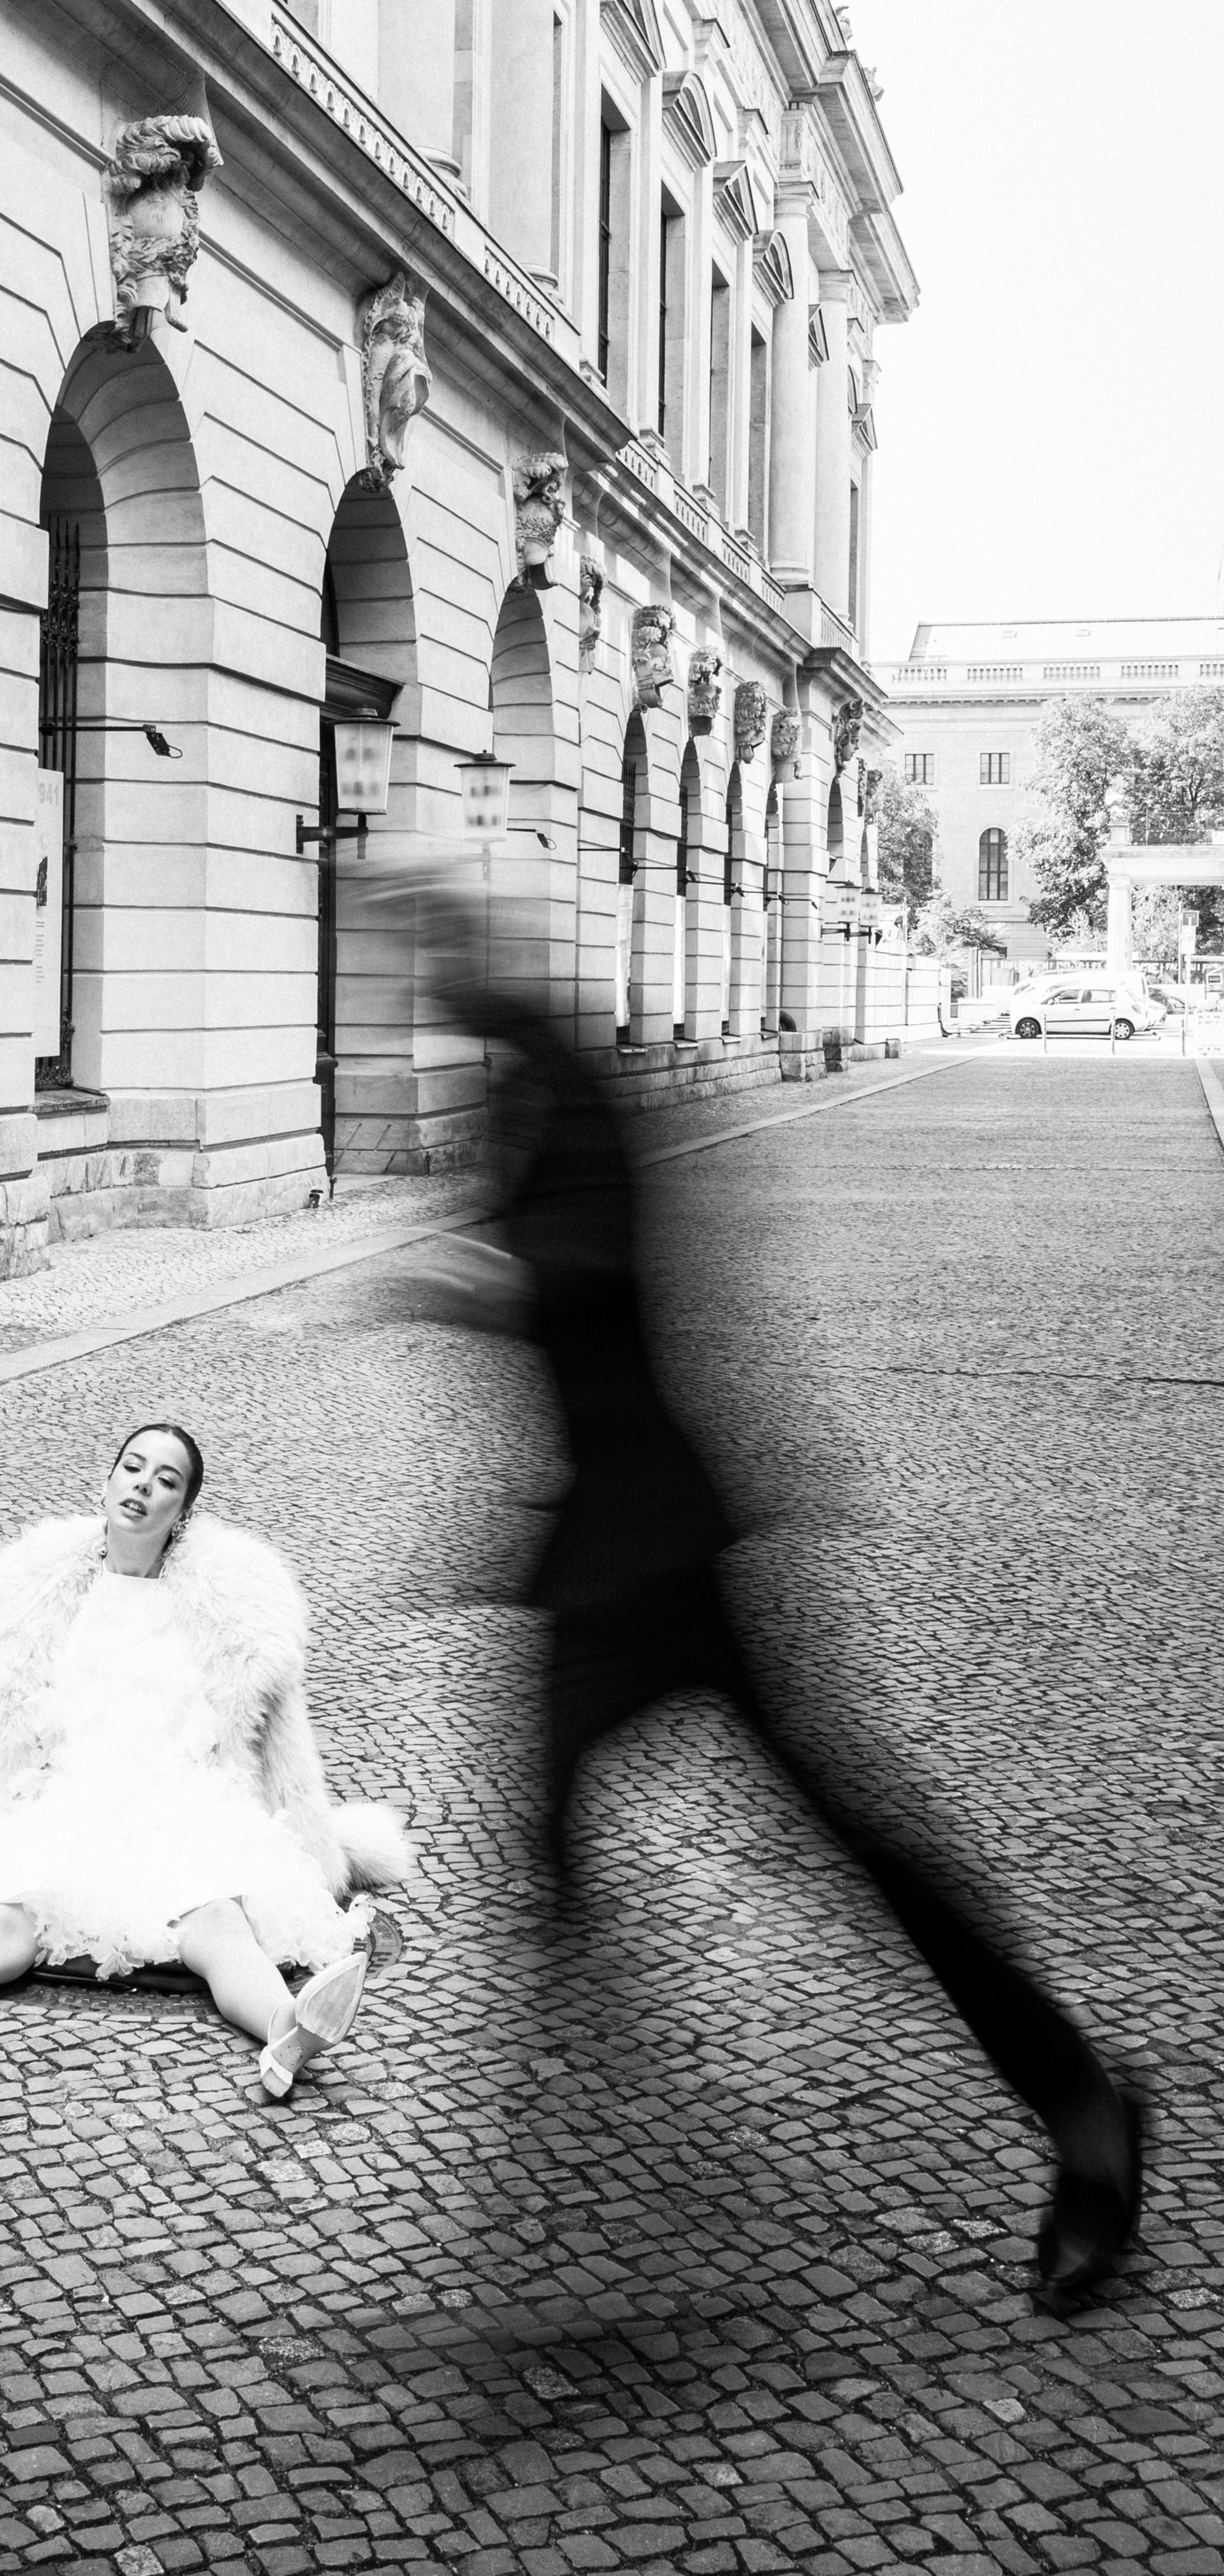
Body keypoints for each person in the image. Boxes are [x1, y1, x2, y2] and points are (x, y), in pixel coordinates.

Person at [409, 955, 1144, 2319]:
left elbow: (586, 1265)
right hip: (593, 1564)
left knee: (853, 1842)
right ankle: (579, 2171)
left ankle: (1089, 2116)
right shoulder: (532, 1148)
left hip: (672, 1562)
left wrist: (475, 1282)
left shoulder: (592, 1153)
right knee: (550, 1845)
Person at [0, 1422, 412, 2100]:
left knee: (217, 1920)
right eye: (132, 1467)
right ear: (107, 1482)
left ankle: (287, 2029)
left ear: (182, 1512)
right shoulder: (32, 1595)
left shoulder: (224, 1609)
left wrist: (312, 1843)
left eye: (165, 1480)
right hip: (62, 1801)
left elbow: (280, 1746)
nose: (142, 1486)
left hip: (178, 1805)